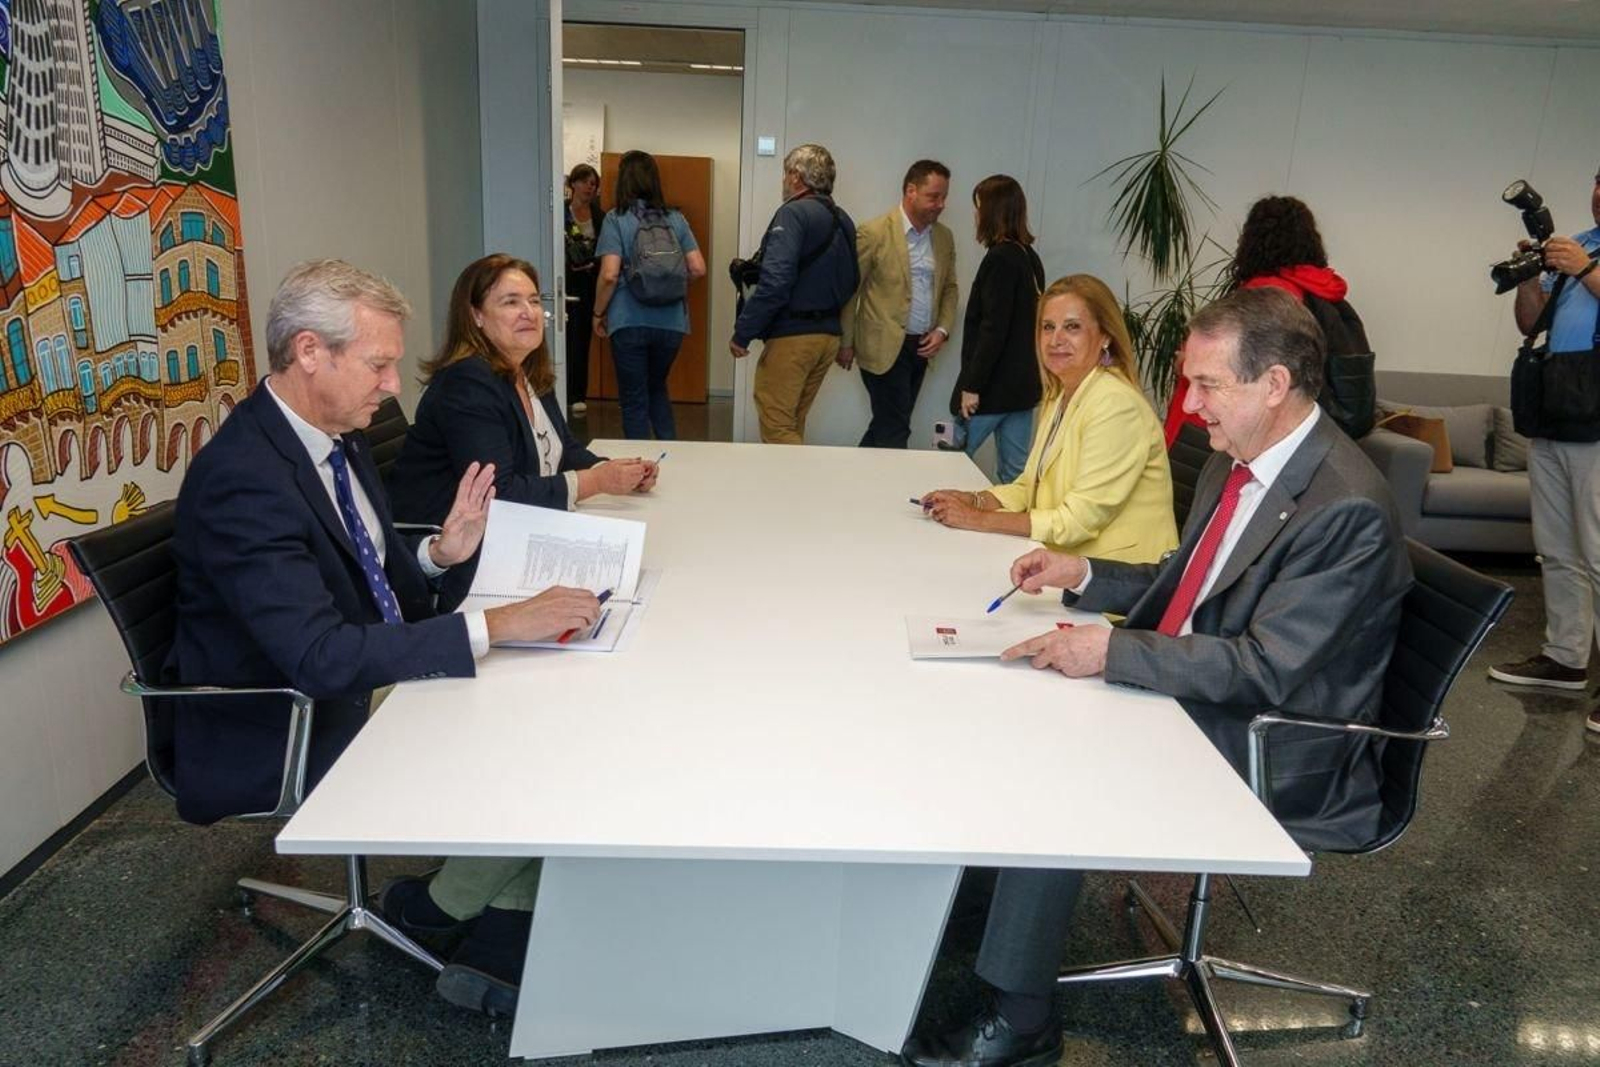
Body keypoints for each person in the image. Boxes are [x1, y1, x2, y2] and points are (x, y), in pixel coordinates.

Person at [900, 287, 1411, 1067]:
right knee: (1011, 697)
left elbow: (1269, 666)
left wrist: (1111, 654)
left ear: (1274, 384)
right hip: (1214, 688)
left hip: (1283, 740)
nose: (1190, 403)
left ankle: (1022, 1016)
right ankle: (978, 912)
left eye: (1208, 385)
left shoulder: (1345, 506)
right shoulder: (1236, 459)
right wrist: (1083, 576)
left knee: (1064, 747)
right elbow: (1188, 581)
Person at [164, 259, 601, 1017]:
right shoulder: (245, 479)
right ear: (309, 352)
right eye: (379, 364)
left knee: (564, 705)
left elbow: (380, 584)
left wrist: (441, 553)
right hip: (283, 717)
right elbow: (319, 656)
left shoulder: (335, 433)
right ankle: (476, 913)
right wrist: (494, 624)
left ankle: (454, 904)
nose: (394, 385)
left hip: (358, 671)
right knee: (548, 732)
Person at [389, 253, 658, 609]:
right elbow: (501, 493)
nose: (529, 312)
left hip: (518, 536)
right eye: (511, 302)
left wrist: (613, 471)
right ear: (476, 316)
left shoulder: (527, 370)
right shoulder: (467, 381)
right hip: (462, 559)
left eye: (533, 300)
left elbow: (564, 449)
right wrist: (597, 482)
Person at [919, 275, 1177, 562]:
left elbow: (1076, 521)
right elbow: (1029, 487)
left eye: (1072, 327)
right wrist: (973, 500)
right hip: (1062, 562)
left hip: (1116, 582)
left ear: (1105, 336)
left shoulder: (1116, 405)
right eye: (1047, 327)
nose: (1056, 340)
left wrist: (975, 519)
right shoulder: (1061, 395)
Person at [1488, 167, 1600, 733]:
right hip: (1557, 408)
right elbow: (1533, 320)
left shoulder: (1583, 257)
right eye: (1599, 179)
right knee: (1556, 548)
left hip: (1599, 425)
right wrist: (1533, 274)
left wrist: (1584, 270)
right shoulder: (1576, 243)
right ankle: (1565, 658)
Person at [1165, 194, 1375, 444]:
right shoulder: (1324, 293)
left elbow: (1237, 372)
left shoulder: (1265, 296)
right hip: (1313, 428)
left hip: (1248, 435)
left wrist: (1188, 363)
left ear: (1252, 241)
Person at [729, 143, 859, 444]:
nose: (784, 182)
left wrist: (742, 333)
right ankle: (793, 489)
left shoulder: (793, 214)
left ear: (795, 176)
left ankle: (803, 490)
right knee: (793, 421)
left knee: (776, 425)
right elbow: (853, 280)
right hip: (827, 337)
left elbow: (775, 281)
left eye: (785, 175)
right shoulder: (844, 220)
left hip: (793, 337)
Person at [839, 159, 959, 448]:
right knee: (895, 428)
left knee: (888, 423)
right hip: (881, 346)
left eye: (944, 197)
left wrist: (942, 330)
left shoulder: (943, 237)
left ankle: (853, 480)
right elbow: (851, 291)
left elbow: (950, 288)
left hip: (922, 347)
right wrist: (845, 342)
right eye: (933, 196)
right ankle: (890, 489)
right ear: (910, 191)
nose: (940, 204)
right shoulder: (875, 232)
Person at [593, 149, 708, 440]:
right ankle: (673, 459)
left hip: (628, 320)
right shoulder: (675, 218)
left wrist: (597, 314)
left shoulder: (615, 219)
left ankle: (639, 469)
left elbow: (609, 274)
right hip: (671, 323)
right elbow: (698, 268)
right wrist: (668, 285)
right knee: (657, 388)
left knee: (633, 398)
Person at [950, 175, 1044, 482]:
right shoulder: (1029, 257)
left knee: (947, 462)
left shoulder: (999, 259)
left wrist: (971, 386)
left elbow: (993, 329)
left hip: (990, 390)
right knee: (1014, 476)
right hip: (1022, 389)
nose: (975, 215)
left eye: (978, 207)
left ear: (992, 211)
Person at [564, 163, 601, 416]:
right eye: (585, 181)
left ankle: (578, 394)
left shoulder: (602, 216)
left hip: (591, 284)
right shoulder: (561, 213)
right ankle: (559, 392)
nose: (590, 186)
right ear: (573, 184)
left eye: (594, 183)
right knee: (563, 340)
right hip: (565, 283)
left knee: (581, 342)